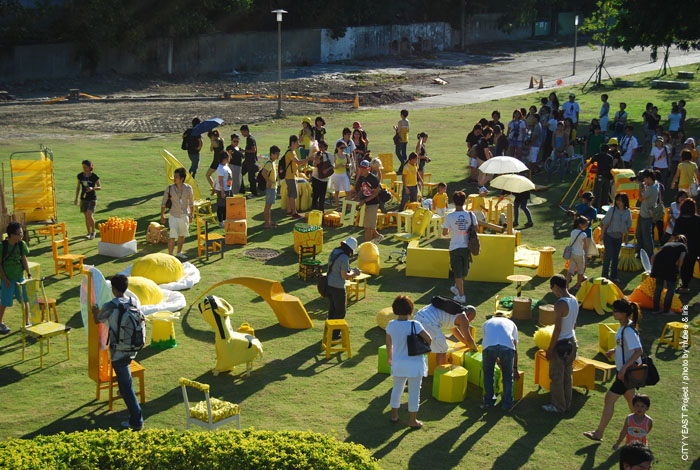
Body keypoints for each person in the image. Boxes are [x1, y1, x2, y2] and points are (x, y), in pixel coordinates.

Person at [584, 298, 643, 442]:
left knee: (609, 398)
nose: (613, 313)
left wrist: (623, 369)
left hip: (625, 373)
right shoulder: (624, 327)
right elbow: (625, 346)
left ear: (624, 313)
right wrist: (615, 350)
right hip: (625, 372)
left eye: (616, 311)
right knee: (632, 403)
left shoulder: (628, 330)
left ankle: (599, 433)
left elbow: (638, 351)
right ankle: (640, 433)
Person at [92, 274, 143, 431]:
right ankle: (122, 390)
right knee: (124, 381)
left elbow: (98, 320)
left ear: (113, 289)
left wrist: (95, 311)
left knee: (126, 386)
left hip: (118, 351)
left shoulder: (111, 306)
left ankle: (136, 421)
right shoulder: (133, 301)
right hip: (133, 348)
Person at [386, 295, 432, 429]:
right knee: (414, 392)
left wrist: (390, 358)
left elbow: (389, 345)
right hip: (414, 364)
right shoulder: (415, 324)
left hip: (398, 362)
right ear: (410, 310)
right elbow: (429, 339)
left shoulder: (391, 325)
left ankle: (394, 415)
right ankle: (412, 420)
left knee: (397, 389)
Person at [543, 274, 579, 413]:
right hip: (572, 341)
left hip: (560, 344)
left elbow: (557, 329)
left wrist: (550, 349)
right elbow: (574, 323)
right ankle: (566, 403)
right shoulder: (574, 300)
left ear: (556, 287)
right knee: (567, 375)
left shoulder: (559, 304)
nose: (553, 291)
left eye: (552, 288)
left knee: (557, 376)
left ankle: (558, 406)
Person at [413, 297, 477, 366]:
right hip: (429, 321)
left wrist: (466, 343)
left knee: (425, 344)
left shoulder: (455, 311)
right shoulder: (463, 318)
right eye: (471, 319)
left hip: (418, 316)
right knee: (442, 348)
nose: (469, 321)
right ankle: (440, 374)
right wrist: (476, 350)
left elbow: (455, 331)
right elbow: (469, 340)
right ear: (469, 314)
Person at [481, 307, 519, 410]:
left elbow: (489, 341)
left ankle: (488, 401)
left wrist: (497, 359)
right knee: (507, 376)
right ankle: (507, 404)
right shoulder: (511, 323)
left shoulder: (487, 323)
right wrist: (515, 368)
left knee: (488, 374)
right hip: (507, 349)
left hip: (489, 348)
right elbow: (515, 347)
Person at [442, 191, 477, 303]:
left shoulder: (450, 216)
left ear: (453, 202)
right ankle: (458, 288)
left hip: (455, 247)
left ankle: (461, 296)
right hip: (467, 247)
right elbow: (476, 229)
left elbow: (444, 232)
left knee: (457, 271)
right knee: (464, 271)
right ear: (464, 201)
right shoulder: (471, 214)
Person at [326, 237, 361, 339]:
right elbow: (344, 276)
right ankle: (335, 334)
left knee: (332, 309)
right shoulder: (344, 258)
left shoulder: (335, 251)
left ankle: (330, 329)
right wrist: (355, 273)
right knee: (340, 311)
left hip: (329, 284)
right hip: (338, 287)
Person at [0, 222, 31, 333]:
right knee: (5, 302)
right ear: (12, 235)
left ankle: (27, 322)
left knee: (25, 300)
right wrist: (4, 279)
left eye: (22, 233)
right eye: (20, 233)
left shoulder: (21, 244)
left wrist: (29, 273)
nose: (22, 235)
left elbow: (24, 258)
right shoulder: (2, 247)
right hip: (7, 279)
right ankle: (0, 323)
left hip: (19, 277)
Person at [160, 167, 194, 260]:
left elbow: (191, 202)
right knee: (172, 236)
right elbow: (163, 202)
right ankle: (171, 255)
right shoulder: (170, 188)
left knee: (182, 235)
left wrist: (191, 214)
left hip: (184, 216)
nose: (174, 178)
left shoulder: (188, 188)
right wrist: (162, 215)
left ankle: (179, 252)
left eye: (176, 177)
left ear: (182, 178)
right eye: (174, 176)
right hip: (173, 215)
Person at [650, 235, 687, 314]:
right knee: (670, 289)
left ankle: (656, 309)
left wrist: (653, 268)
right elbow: (681, 259)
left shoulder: (667, 244)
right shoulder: (683, 246)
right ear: (685, 242)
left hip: (658, 266)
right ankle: (666, 310)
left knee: (658, 288)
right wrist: (679, 270)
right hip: (670, 267)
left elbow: (653, 257)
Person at [601, 193, 633, 283]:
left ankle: (614, 276)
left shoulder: (627, 212)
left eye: (621, 200)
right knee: (608, 255)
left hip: (619, 237)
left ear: (624, 202)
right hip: (609, 235)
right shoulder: (612, 209)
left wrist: (626, 238)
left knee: (616, 257)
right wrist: (602, 234)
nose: (619, 202)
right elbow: (605, 223)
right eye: (618, 200)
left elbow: (628, 226)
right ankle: (604, 276)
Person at [674, 199, 700, 293]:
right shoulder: (697, 219)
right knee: (690, 266)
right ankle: (685, 284)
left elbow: (675, 234)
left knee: (682, 265)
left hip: (682, 247)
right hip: (695, 247)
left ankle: (684, 285)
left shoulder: (680, 220)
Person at [282, 135, 311, 219]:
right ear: (293, 143)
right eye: (297, 142)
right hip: (290, 177)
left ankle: (289, 211)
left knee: (290, 194)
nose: (298, 143)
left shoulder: (293, 151)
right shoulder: (290, 152)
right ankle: (294, 213)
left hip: (291, 176)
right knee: (293, 195)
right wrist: (309, 159)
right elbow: (298, 162)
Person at [354, 160, 381, 243]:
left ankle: (366, 246)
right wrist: (356, 199)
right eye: (361, 168)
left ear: (369, 169)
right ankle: (378, 236)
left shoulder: (373, 179)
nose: (361, 171)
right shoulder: (362, 178)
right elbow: (361, 190)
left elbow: (376, 193)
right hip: (365, 203)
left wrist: (364, 200)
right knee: (367, 225)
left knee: (368, 227)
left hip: (373, 204)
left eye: (364, 169)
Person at [74, 159, 101, 239]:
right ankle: (88, 233)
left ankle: (93, 232)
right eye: (83, 167)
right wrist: (76, 199)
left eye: (86, 167)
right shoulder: (80, 176)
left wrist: (92, 188)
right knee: (86, 216)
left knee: (89, 215)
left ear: (90, 167)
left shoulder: (94, 176)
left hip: (92, 198)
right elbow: (78, 187)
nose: (84, 169)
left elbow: (99, 187)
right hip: (83, 198)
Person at [636, 170, 658, 259]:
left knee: (646, 238)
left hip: (646, 216)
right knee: (639, 234)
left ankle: (649, 256)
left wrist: (639, 186)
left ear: (649, 178)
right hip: (643, 214)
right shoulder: (655, 184)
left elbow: (641, 198)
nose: (644, 180)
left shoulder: (652, 189)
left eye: (645, 178)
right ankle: (640, 254)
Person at [329, 141, 352, 211]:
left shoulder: (346, 155)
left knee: (348, 191)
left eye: (344, 148)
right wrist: (339, 165)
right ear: (337, 148)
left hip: (344, 175)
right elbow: (332, 166)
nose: (343, 149)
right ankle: (338, 207)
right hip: (336, 176)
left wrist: (348, 165)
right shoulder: (335, 156)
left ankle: (349, 207)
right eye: (341, 148)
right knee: (337, 192)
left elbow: (350, 163)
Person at [588, 144, 614, 210]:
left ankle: (594, 207)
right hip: (607, 177)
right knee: (605, 193)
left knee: (596, 192)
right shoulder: (610, 157)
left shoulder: (597, 155)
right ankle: (604, 207)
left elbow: (590, 162)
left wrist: (584, 168)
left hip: (600, 176)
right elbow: (611, 167)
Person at [567, 216, 589, 290]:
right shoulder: (583, 234)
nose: (586, 226)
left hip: (572, 253)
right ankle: (578, 285)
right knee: (580, 270)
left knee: (571, 270)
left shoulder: (573, 232)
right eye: (585, 225)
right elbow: (585, 246)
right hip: (579, 254)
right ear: (580, 224)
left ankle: (566, 284)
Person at [261, 146, 279, 229]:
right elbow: (263, 173)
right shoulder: (269, 163)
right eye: (277, 154)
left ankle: (269, 221)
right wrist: (269, 181)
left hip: (273, 187)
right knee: (268, 207)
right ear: (272, 154)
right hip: (270, 188)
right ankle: (267, 224)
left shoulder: (273, 162)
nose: (278, 155)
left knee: (269, 206)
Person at [310, 140, 332, 211]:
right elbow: (314, 165)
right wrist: (317, 159)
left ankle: (321, 211)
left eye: (322, 147)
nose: (320, 148)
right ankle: (314, 210)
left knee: (322, 196)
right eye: (319, 146)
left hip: (324, 179)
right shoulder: (316, 154)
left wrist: (327, 169)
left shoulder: (329, 155)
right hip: (316, 177)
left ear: (325, 147)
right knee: (315, 195)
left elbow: (333, 166)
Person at [240, 125, 259, 197]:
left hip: (251, 162)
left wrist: (244, 151)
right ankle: (241, 189)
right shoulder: (248, 138)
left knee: (251, 178)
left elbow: (254, 150)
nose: (242, 134)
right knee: (240, 173)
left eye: (242, 132)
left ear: (246, 131)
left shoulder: (250, 139)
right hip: (247, 161)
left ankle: (254, 193)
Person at [214, 151, 233, 227]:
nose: (229, 158)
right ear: (224, 159)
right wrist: (222, 191)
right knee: (221, 206)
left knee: (226, 206)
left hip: (227, 189)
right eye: (228, 157)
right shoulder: (220, 168)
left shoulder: (225, 166)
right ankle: (221, 221)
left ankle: (225, 220)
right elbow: (220, 180)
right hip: (223, 190)